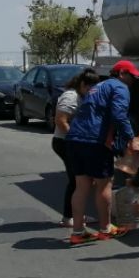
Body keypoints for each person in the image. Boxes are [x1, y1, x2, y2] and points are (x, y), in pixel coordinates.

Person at [65, 60, 139, 245]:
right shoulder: (120, 87)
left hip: (75, 138)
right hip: (95, 141)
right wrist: (131, 139)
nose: (133, 80)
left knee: (81, 186)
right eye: (132, 76)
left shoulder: (98, 86)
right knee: (104, 185)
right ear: (122, 73)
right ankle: (106, 228)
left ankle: (77, 232)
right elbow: (119, 115)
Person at [51, 68, 99, 227]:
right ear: (83, 84)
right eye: (90, 87)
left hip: (72, 142)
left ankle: (77, 214)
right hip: (65, 142)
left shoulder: (81, 95)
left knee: (81, 180)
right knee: (76, 180)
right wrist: (75, 139)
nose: (92, 91)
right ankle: (68, 217)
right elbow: (60, 120)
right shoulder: (70, 97)